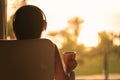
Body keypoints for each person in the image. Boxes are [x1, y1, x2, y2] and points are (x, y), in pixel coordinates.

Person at [12, 5, 77, 80]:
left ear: (14, 27)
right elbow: (61, 79)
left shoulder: (4, 49)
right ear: (43, 26)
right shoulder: (49, 48)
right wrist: (68, 69)